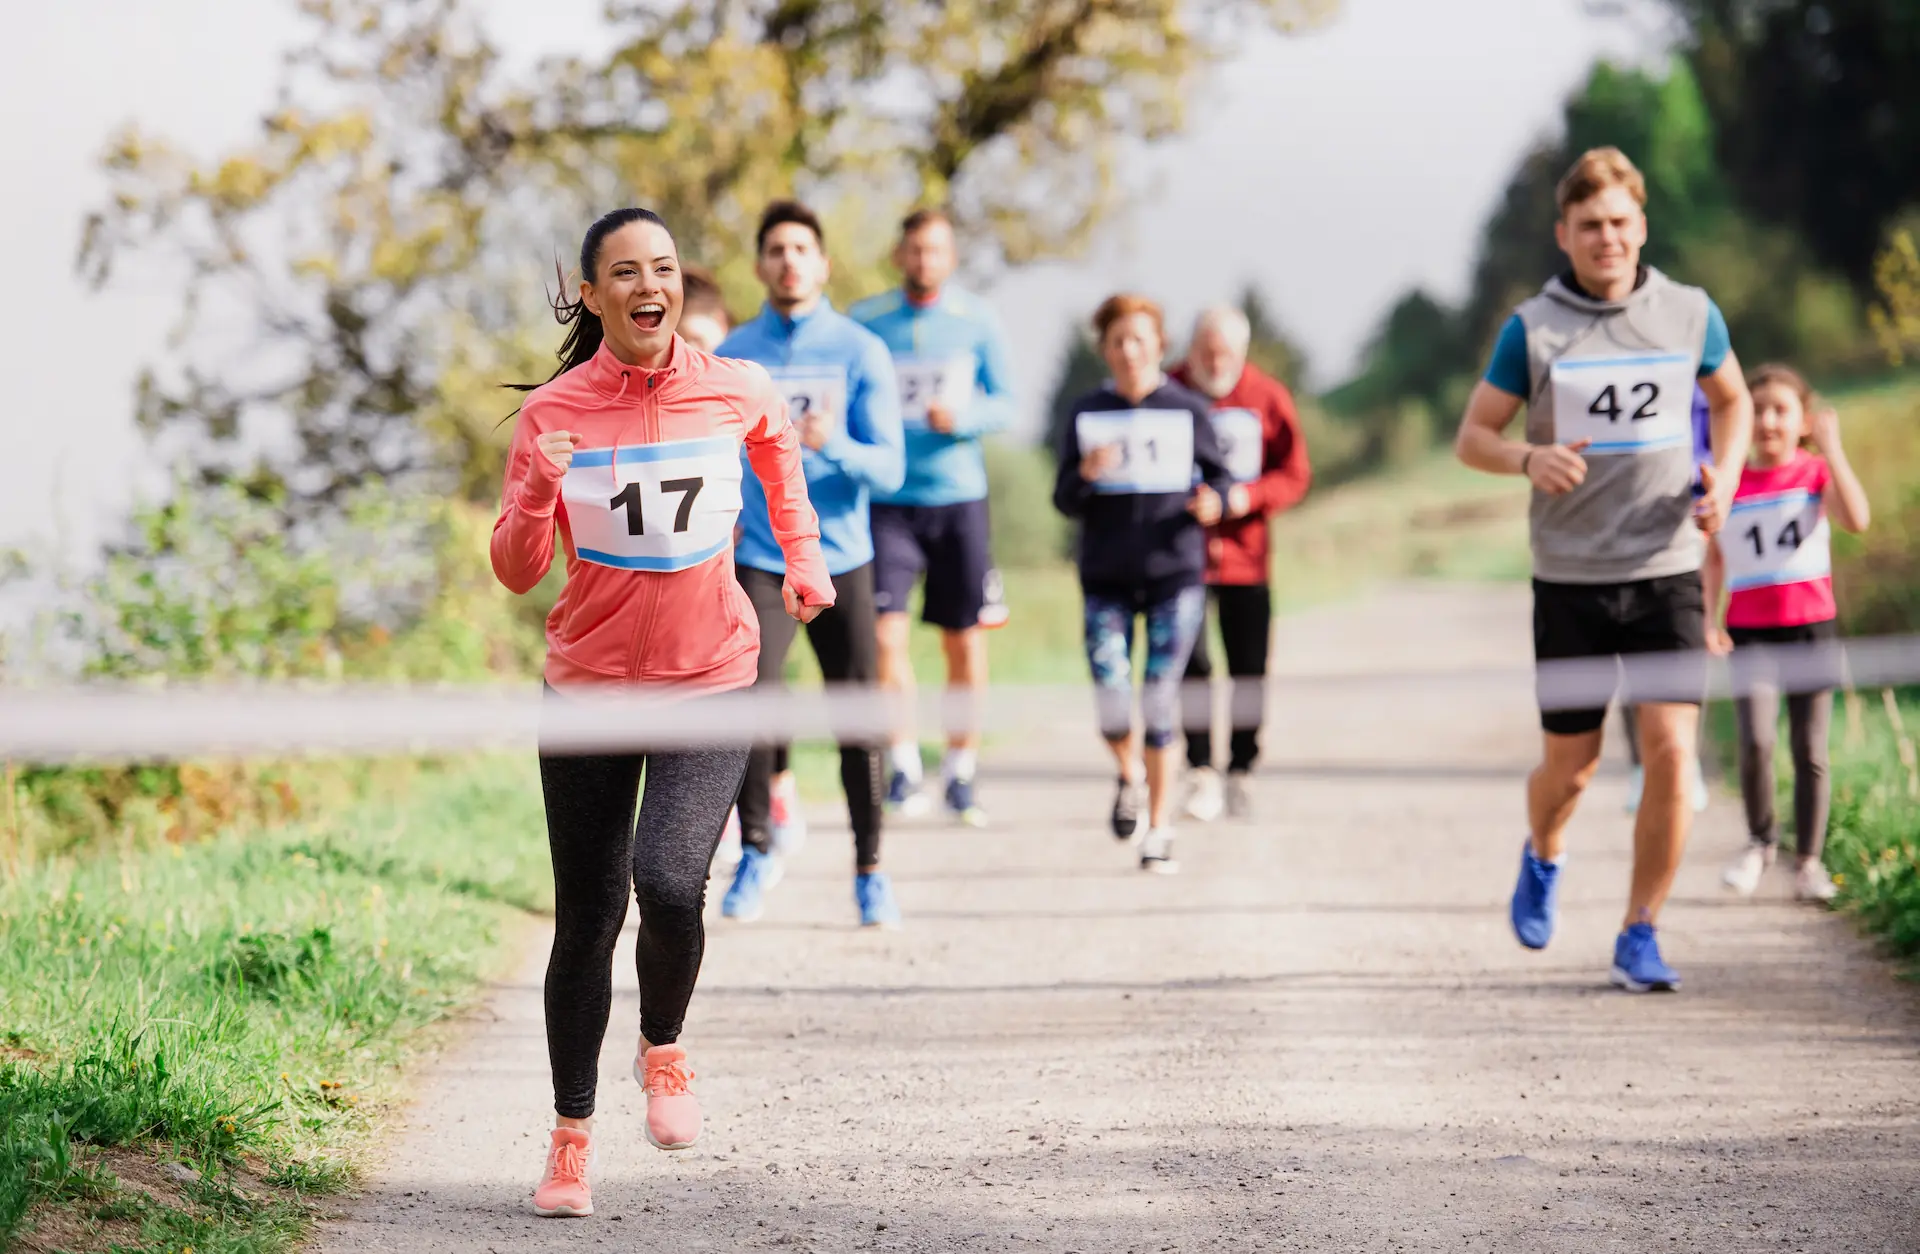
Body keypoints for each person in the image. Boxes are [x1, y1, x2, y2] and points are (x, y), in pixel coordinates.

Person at [491, 208, 831, 1218]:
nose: (652, 284)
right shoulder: (555, 411)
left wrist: (803, 558)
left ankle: (665, 1049)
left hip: (711, 675)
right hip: (587, 691)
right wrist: (537, 494)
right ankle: (569, 1140)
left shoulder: (735, 387)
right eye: (626, 272)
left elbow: (780, 461)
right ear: (592, 296)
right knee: (588, 918)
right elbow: (516, 572)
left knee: (672, 881)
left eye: (666, 268)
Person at [1453, 146, 1753, 994]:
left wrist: (1723, 478)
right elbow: (1471, 436)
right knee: (1572, 770)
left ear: (1642, 226)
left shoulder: (1691, 314)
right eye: (1590, 226)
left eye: (1621, 222)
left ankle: (1640, 930)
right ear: (1564, 234)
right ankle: (1544, 851)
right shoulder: (1533, 329)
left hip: (1667, 566)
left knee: (1671, 754)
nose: (1607, 238)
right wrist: (1525, 459)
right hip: (1572, 578)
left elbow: (1732, 399)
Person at [717, 199, 907, 927]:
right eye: (775, 250)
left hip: (843, 557)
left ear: (823, 264)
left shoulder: (861, 351)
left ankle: (870, 870)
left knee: (857, 714)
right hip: (763, 555)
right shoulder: (736, 353)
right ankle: (759, 850)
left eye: (802, 248)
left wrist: (834, 444)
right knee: (752, 698)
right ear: (760, 265)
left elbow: (890, 470)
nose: (789, 260)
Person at [1053, 294, 1233, 873]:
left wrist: (1216, 502)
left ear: (1160, 344)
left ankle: (1159, 829)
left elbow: (1223, 480)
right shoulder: (1086, 413)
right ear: (1104, 350)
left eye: (1139, 339)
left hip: (1174, 576)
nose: (1129, 351)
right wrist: (1084, 475)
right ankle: (1128, 773)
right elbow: (1062, 498)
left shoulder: (1187, 410)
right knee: (1111, 700)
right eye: (1117, 342)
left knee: (1158, 702)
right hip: (1105, 576)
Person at [850, 208, 1017, 826]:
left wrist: (964, 417)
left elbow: (1007, 402)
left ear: (950, 258)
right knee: (886, 635)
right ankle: (903, 765)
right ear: (899, 255)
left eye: (936, 251)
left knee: (963, 641)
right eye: (915, 250)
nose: (924, 261)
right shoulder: (867, 322)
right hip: (889, 501)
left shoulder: (978, 321)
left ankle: (962, 772)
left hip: (958, 499)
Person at [1705, 364, 1870, 902]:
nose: (1768, 421)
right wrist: (1709, 617)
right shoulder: (1729, 479)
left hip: (1811, 631)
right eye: (1757, 410)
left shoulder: (1815, 473)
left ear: (1802, 420)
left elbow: (1857, 519)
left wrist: (1832, 450)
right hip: (1750, 633)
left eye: (1781, 410)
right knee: (1755, 740)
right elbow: (1712, 556)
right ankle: (1759, 842)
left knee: (1810, 749)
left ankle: (1809, 862)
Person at [1169, 305, 1311, 822]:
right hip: (1181, 558)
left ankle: (1243, 768)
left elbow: (1294, 474)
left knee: (1248, 669)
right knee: (1193, 665)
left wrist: (1244, 499)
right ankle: (1200, 768)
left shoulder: (1267, 397)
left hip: (1247, 560)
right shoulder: (1169, 393)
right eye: (1205, 350)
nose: (1214, 360)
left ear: (1242, 351)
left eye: (1224, 351)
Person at [1621, 382, 1716, 817]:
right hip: (1627, 531)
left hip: (1691, 525)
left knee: (1686, 647)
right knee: (1630, 654)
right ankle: (1641, 765)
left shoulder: (1707, 381)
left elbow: (1723, 442)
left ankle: (1685, 760)